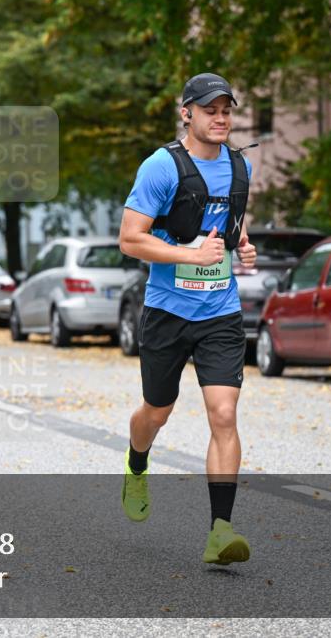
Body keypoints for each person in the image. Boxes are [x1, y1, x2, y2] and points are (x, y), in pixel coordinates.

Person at [118, 73, 257, 565]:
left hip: (220, 311)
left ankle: (221, 530)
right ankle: (137, 462)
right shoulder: (161, 167)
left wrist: (242, 243)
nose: (220, 118)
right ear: (187, 113)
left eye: (226, 110)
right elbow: (131, 239)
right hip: (167, 311)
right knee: (157, 411)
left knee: (224, 415)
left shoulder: (241, 168)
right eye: (210, 109)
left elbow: (231, 223)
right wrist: (189, 256)